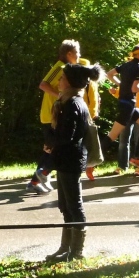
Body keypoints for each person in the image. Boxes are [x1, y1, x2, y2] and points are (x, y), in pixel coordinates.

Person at [45, 62, 104, 262]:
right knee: (65, 205)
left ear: (70, 82)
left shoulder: (73, 104)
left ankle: (76, 251)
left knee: (74, 205)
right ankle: (65, 248)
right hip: (65, 159)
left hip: (71, 159)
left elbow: (67, 136)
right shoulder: (69, 101)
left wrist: (50, 141)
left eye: (62, 78)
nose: (59, 81)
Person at [29, 39, 81, 194]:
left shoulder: (68, 68)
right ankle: (39, 177)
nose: (79, 55)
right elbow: (43, 84)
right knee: (54, 148)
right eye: (77, 52)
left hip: (56, 115)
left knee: (51, 148)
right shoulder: (59, 67)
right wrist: (59, 95)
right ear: (69, 53)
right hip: (50, 115)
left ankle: (36, 180)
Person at [102, 45, 139, 173]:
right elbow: (134, 88)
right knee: (113, 135)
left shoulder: (125, 65)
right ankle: (90, 161)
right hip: (127, 107)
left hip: (131, 107)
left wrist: (120, 84)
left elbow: (109, 74)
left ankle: (136, 159)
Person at [80, 58, 101, 180]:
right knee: (87, 143)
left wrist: (94, 113)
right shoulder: (83, 83)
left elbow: (95, 99)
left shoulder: (91, 82)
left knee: (89, 143)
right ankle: (87, 169)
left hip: (88, 116)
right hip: (84, 116)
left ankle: (89, 169)